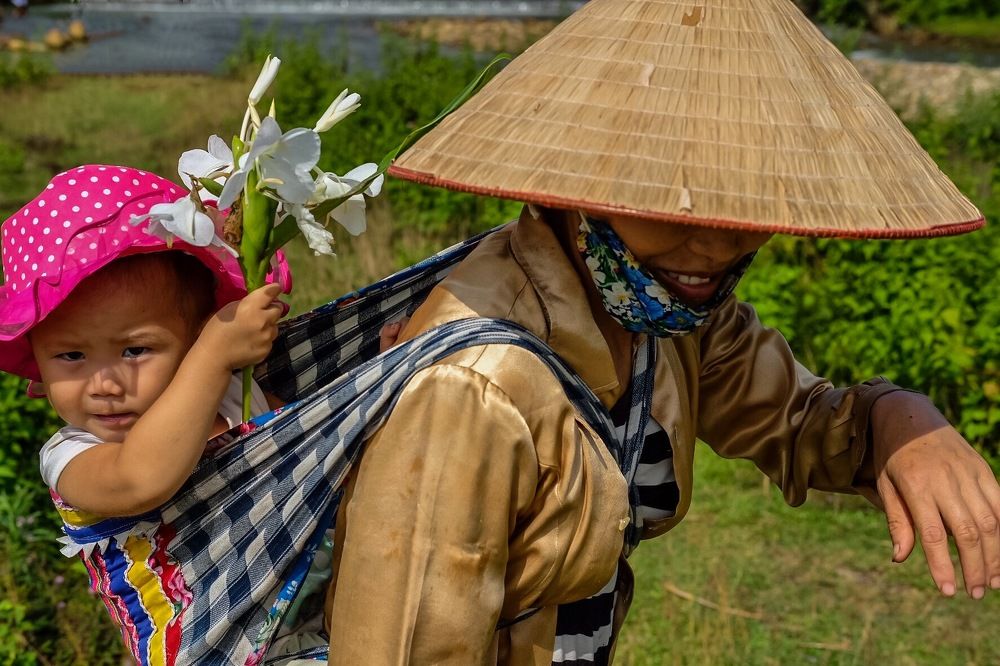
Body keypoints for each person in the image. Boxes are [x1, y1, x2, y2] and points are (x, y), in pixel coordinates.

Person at [321, 0, 999, 663]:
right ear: (579, 182)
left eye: (742, 203)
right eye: (671, 200)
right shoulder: (473, 386)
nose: (717, 244)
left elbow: (797, 421)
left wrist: (898, 420)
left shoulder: (662, 317)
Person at [0, 165, 286, 518]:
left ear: (197, 336)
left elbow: (318, 440)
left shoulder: (235, 394)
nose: (105, 386)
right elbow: (137, 482)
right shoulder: (70, 454)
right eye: (71, 355)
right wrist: (213, 357)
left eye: (134, 350)